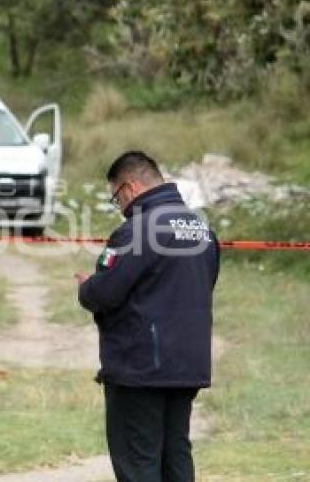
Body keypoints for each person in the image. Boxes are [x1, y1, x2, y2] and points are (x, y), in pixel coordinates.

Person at [76, 151, 220, 482]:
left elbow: (106, 294)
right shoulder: (202, 230)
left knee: (139, 463)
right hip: (188, 364)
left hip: (141, 368)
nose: (120, 207)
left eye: (116, 198)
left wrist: (87, 287)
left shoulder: (136, 231)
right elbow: (204, 285)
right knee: (176, 458)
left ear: (129, 187)